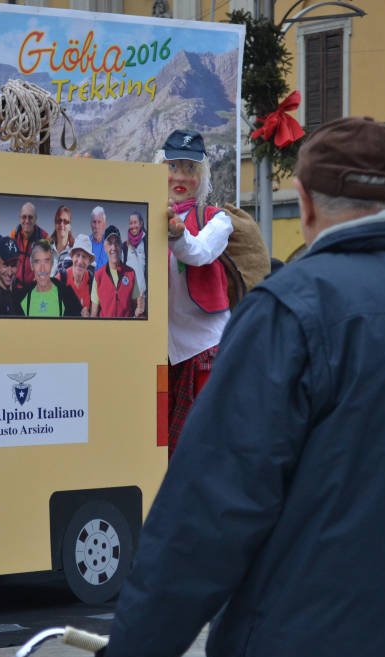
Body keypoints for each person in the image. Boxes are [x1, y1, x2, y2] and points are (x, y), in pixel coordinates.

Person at [98, 117, 385, 657]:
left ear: (306, 205)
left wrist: (130, 656)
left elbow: (209, 510)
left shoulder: (286, 312)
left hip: (298, 655)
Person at [158, 129, 234, 458]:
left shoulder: (218, 221)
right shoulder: (145, 216)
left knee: (201, 448)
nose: (180, 176)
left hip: (205, 350)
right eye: (173, 166)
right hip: (160, 356)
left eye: (190, 168)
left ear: (200, 176)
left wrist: (176, 234)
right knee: (160, 451)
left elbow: (199, 252)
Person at [19, 238, 82, 317]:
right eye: (37, 262)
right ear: (32, 266)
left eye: (46, 262)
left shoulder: (67, 295)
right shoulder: (21, 297)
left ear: (52, 264)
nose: (42, 269)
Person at [91, 225, 144, 318]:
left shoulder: (131, 273)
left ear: (121, 245)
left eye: (117, 243)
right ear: (105, 247)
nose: (114, 247)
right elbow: (94, 314)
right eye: (110, 243)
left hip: (125, 330)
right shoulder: (98, 275)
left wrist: (139, 311)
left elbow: (137, 310)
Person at [10, 201, 49, 285]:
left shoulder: (44, 237)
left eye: (30, 217)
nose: (27, 221)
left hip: (35, 288)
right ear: (20, 218)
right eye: (24, 217)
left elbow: (50, 264)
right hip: (16, 287)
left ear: (35, 219)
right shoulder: (15, 234)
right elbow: (9, 260)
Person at [62, 233, 95, 317]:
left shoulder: (93, 282)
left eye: (84, 257)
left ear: (89, 261)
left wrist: (89, 317)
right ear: (72, 256)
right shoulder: (61, 278)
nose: (80, 261)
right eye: (77, 255)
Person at [123, 210, 147, 295]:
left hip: (143, 295)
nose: (133, 226)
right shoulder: (125, 246)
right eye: (131, 223)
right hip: (128, 295)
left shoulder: (147, 243)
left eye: (135, 222)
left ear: (141, 223)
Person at [50, 205, 75, 277]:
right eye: (59, 220)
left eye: (66, 221)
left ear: (70, 226)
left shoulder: (74, 252)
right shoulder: (46, 249)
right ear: (55, 224)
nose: (61, 224)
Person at [89, 205, 108, 272]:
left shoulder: (110, 245)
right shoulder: (85, 243)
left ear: (105, 224)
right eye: (94, 222)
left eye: (99, 222)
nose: (96, 226)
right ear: (91, 224)